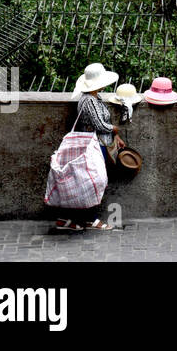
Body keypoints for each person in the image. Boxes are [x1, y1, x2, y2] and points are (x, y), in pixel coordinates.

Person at [52, 62, 125, 232]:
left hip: (100, 144)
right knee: (93, 182)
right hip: (94, 146)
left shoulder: (95, 98)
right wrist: (114, 128)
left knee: (88, 182)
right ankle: (89, 219)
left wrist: (115, 136)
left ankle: (74, 219)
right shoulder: (89, 101)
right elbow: (100, 124)